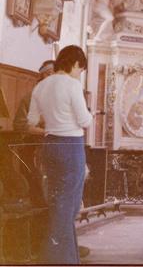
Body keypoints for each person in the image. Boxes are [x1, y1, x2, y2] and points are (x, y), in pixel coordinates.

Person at [27, 45, 92, 265]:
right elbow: (85, 121)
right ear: (75, 64)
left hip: (49, 144)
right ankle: (55, 259)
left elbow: (31, 121)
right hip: (70, 145)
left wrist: (54, 119)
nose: (79, 74)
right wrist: (88, 115)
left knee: (58, 203)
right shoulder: (72, 85)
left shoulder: (41, 86)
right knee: (69, 206)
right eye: (80, 70)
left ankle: (70, 257)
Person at [13, 60, 55, 132]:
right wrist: (45, 132)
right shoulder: (29, 98)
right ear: (41, 77)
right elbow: (19, 125)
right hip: (37, 139)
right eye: (48, 74)